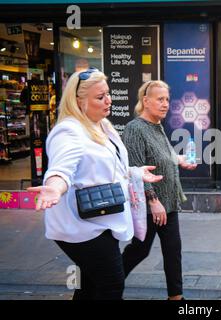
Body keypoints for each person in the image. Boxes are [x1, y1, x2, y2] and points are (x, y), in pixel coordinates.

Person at [27, 68, 163, 300]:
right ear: (78, 101)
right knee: (111, 285)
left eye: (108, 94)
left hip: (101, 217)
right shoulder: (69, 131)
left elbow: (106, 167)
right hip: (83, 226)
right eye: (100, 97)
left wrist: (135, 173)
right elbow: (62, 168)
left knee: (90, 285)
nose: (108, 100)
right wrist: (55, 186)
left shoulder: (101, 125)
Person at [121, 80, 197, 301]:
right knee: (139, 251)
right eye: (160, 99)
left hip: (168, 202)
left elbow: (164, 156)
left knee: (173, 251)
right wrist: (153, 201)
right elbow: (136, 168)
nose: (165, 104)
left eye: (167, 99)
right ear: (146, 101)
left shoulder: (157, 126)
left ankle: (176, 297)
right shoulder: (135, 129)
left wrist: (180, 160)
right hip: (151, 205)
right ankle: (108, 283)